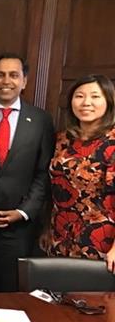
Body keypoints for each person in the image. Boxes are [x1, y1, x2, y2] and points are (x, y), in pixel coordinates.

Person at [0, 53, 55, 291]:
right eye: (0, 75)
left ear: (24, 81)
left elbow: (43, 173)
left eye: (14, 75)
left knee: (12, 296)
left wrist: (23, 212)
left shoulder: (41, 120)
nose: (6, 81)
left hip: (20, 230)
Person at [48, 74, 115, 273]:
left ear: (109, 101)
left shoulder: (112, 142)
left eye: (95, 96)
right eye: (79, 96)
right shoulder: (63, 139)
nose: (86, 102)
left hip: (101, 240)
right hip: (60, 233)